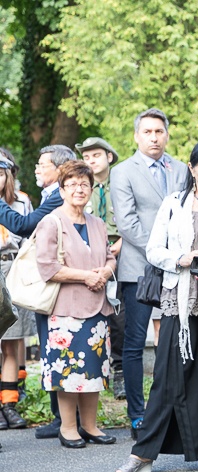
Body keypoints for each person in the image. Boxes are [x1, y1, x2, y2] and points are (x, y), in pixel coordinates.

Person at [112, 139, 198, 472]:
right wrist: (182, 259)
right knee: (168, 378)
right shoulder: (174, 204)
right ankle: (143, 454)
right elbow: (154, 250)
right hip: (179, 301)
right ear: (191, 169)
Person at [110, 108, 187, 439]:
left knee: (174, 341)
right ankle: (138, 414)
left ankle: (173, 409)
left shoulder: (182, 169)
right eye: (148, 132)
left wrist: (177, 257)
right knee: (134, 344)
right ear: (136, 136)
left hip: (178, 268)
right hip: (139, 267)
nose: (154, 137)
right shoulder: (122, 171)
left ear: (167, 135)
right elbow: (126, 223)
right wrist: (162, 253)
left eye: (159, 131)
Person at [34, 160, 117, 449]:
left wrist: (105, 272)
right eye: (72, 184)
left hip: (97, 308)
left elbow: (109, 256)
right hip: (66, 310)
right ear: (62, 189)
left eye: (85, 184)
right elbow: (47, 267)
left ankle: (91, 426)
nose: (79, 189)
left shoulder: (96, 223)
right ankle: (68, 428)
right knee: (67, 372)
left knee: (94, 370)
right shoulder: (51, 221)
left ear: (91, 189)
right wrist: (86, 277)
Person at [0, 144, 76, 439]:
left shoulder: (57, 195)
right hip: (46, 277)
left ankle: (65, 418)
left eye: (42, 164)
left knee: (55, 345)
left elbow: (24, 225)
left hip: (56, 278)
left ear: (59, 169)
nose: (36, 168)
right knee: (50, 347)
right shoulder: (50, 195)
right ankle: (60, 416)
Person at [76, 137, 126, 401]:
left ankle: (119, 373)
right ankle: (92, 373)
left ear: (109, 156)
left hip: (122, 252)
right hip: (89, 258)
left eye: (96, 155)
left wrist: (122, 242)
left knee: (119, 318)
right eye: (86, 156)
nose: (91, 160)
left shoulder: (122, 183)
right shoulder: (82, 187)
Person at [0, 151, 35, 430]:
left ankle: (9, 405)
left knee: (12, 342)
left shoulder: (21, 201)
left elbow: (29, 236)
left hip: (12, 269)